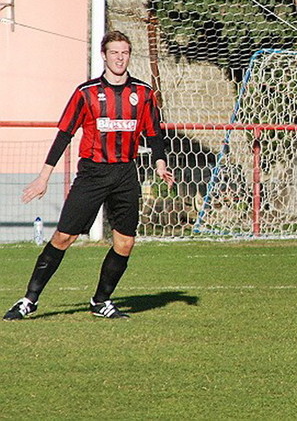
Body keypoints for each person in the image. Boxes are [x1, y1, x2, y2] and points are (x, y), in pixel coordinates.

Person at [3, 31, 174, 321]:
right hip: (92, 173)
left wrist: (159, 163)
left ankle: (101, 301)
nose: (120, 58)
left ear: (129, 56)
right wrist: (44, 176)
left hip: (125, 174)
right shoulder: (87, 93)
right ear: (104, 56)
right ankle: (29, 300)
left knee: (125, 243)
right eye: (115, 52)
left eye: (125, 52)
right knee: (63, 237)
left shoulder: (143, 94)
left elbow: (154, 133)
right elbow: (64, 134)